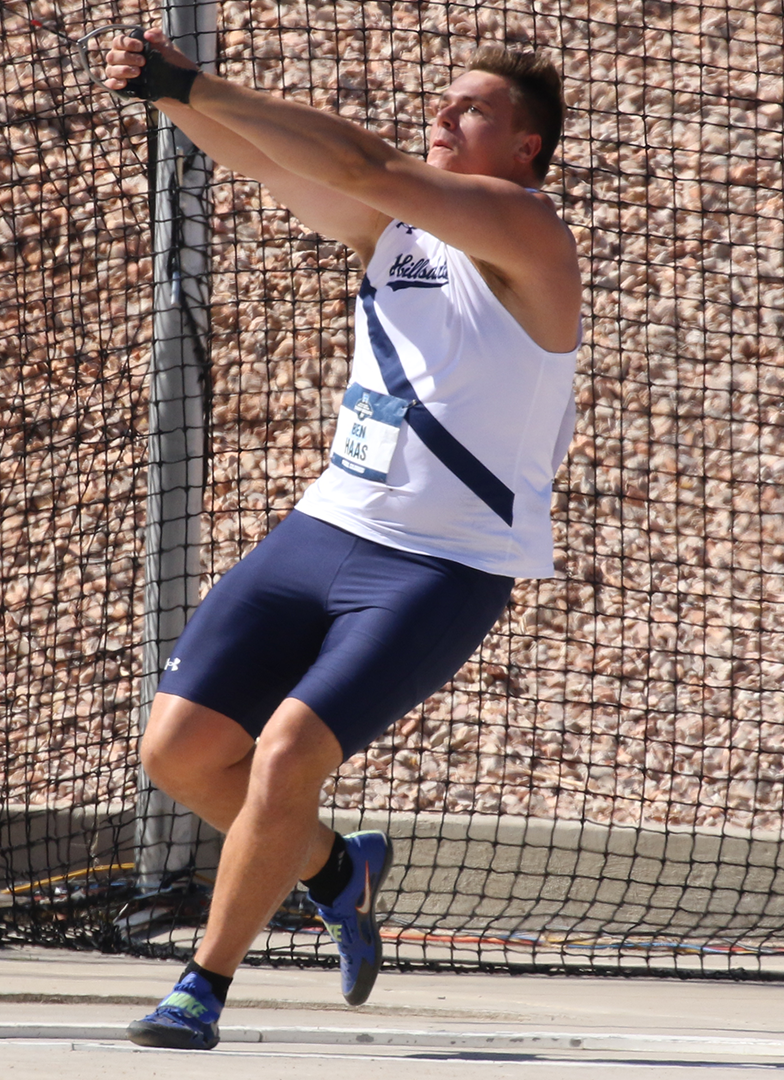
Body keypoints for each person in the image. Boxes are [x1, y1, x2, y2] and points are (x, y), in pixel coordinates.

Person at [99, 32, 581, 1050]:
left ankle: (203, 988)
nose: (443, 119)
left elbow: (362, 163)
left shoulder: (529, 233)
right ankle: (334, 871)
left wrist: (198, 82)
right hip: (324, 530)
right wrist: (167, 98)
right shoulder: (394, 232)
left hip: (442, 566)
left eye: (472, 111)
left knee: (281, 758)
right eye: (443, 104)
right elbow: (275, 166)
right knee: (180, 755)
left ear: (528, 147)